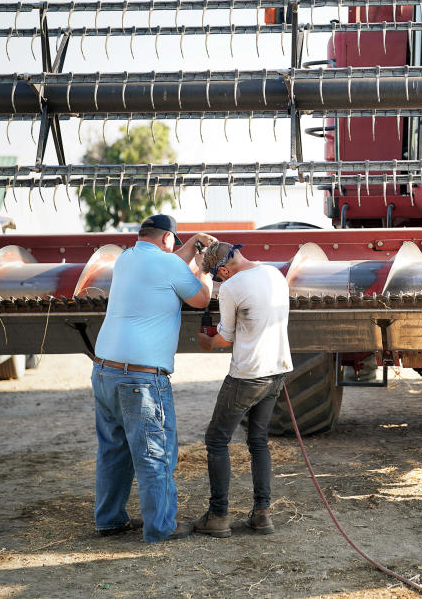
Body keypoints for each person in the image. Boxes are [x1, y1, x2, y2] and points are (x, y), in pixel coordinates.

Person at [90, 214, 215, 542]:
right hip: (141, 380)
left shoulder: (126, 259)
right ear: (167, 240)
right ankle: (160, 526)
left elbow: (166, 263)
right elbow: (201, 298)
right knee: (155, 453)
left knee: (113, 450)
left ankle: (109, 520)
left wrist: (187, 246)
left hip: (104, 371)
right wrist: (203, 267)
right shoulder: (170, 266)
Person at [195, 240, 293, 538]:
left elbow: (224, 338)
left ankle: (219, 516)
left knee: (216, 440)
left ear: (224, 268)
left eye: (216, 276)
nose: (218, 281)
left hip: (247, 375)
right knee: (258, 440)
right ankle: (262, 514)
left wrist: (206, 341)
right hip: (277, 371)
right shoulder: (275, 274)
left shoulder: (230, 288)